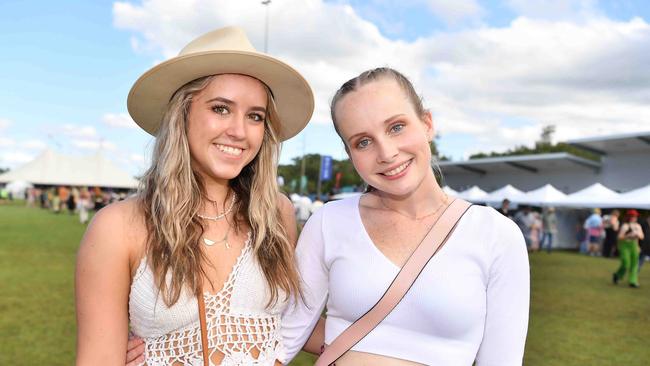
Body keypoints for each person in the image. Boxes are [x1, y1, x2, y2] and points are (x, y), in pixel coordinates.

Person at [76, 26, 314, 366]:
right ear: (182, 113)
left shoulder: (276, 214)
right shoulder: (118, 227)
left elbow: (290, 326)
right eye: (220, 108)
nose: (238, 130)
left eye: (255, 116)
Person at [280, 68, 529, 365]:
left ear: (427, 124)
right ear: (349, 153)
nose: (386, 153)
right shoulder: (328, 221)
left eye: (396, 127)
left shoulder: (496, 234)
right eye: (363, 142)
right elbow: (286, 335)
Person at [612, 210, 644, 288]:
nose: (634, 218)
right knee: (626, 263)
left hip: (634, 245)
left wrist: (637, 236)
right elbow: (619, 237)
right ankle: (618, 275)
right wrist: (628, 236)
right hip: (624, 245)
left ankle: (633, 281)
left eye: (635, 216)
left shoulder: (638, 226)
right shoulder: (625, 226)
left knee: (634, 264)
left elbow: (642, 236)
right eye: (632, 216)